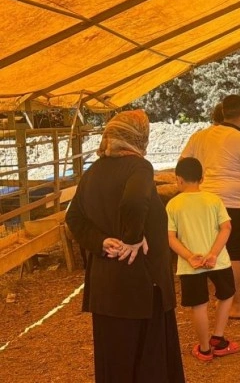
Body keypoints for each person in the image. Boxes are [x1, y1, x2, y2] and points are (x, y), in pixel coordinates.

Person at [66, 110, 185, 382]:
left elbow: (73, 216)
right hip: (140, 286)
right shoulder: (139, 166)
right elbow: (133, 202)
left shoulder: (93, 171)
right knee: (147, 362)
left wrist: (100, 242)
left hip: (106, 288)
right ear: (139, 137)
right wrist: (132, 238)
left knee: (115, 362)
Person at [180, 94, 240, 319]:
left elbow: (183, 165)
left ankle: (223, 299)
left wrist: (200, 185)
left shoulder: (199, 137)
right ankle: (236, 305)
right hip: (235, 204)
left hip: (205, 202)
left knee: (213, 252)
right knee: (235, 255)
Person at [166, 157, 240, 361]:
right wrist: (213, 253)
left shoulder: (173, 205)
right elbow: (227, 227)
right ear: (202, 178)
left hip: (191, 265)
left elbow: (170, 237)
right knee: (226, 295)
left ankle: (205, 349)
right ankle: (218, 337)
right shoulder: (213, 200)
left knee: (198, 304)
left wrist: (190, 256)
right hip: (218, 260)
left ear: (179, 179)